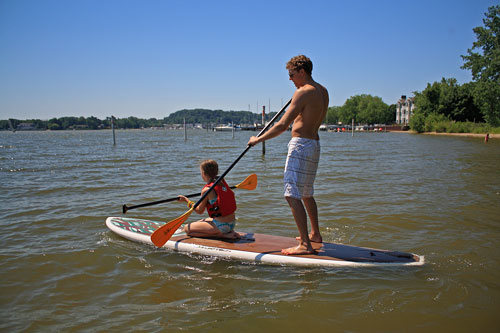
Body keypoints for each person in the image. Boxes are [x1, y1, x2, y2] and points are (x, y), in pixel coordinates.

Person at [247, 55, 329, 255]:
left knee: (291, 193)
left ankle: (305, 246)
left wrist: (258, 140)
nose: (290, 79)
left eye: (292, 75)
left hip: (300, 145)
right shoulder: (322, 90)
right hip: (314, 144)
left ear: (302, 71)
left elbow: (282, 125)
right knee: (307, 192)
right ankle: (314, 235)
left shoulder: (303, 93)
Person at [178, 159, 240, 240]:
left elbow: (199, 211)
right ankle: (227, 231)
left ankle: (221, 235)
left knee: (187, 229)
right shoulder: (222, 182)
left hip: (221, 227)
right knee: (202, 220)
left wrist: (186, 200)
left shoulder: (206, 190)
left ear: (203, 173)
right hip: (232, 224)